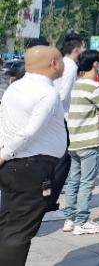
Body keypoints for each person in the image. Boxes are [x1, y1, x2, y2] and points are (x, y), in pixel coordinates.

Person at [0, 45, 66, 266]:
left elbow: (4, 124)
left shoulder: (15, 87)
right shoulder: (47, 93)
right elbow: (30, 131)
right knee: (19, 231)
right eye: (61, 60)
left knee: (9, 224)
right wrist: (4, 154)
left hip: (14, 167)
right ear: (53, 63)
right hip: (30, 166)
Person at [62, 50, 99, 235]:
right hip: (88, 141)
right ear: (95, 64)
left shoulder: (77, 84)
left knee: (73, 181)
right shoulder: (93, 86)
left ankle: (69, 219)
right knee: (86, 183)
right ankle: (82, 222)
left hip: (74, 140)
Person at [45, 33, 84, 220]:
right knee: (63, 163)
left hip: (57, 118)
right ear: (76, 48)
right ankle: (50, 205)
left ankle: (48, 202)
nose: (83, 50)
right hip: (64, 118)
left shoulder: (61, 63)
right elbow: (62, 95)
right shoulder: (71, 66)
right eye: (82, 46)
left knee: (57, 162)